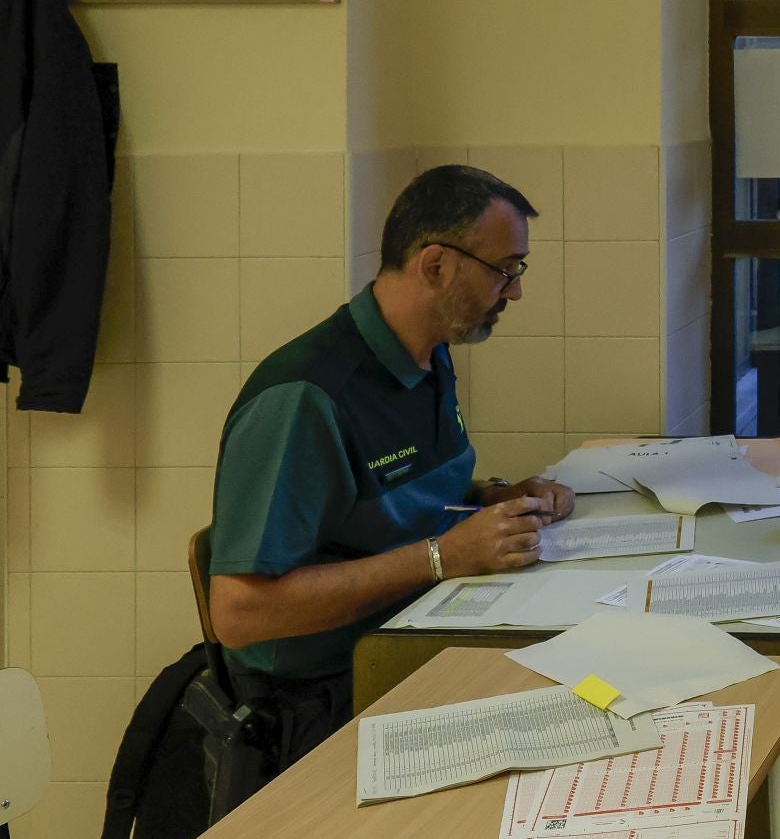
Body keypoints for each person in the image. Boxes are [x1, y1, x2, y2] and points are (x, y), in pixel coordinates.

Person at [208, 164, 576, 773]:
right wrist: (443, 557)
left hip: (420, 636)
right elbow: (240, 613)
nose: (513, 292)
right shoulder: (305, 397)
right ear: (436, 265)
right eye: (503, 270)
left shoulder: (429, 358)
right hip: (326, 697)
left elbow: (402, 505)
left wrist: (497, 500)